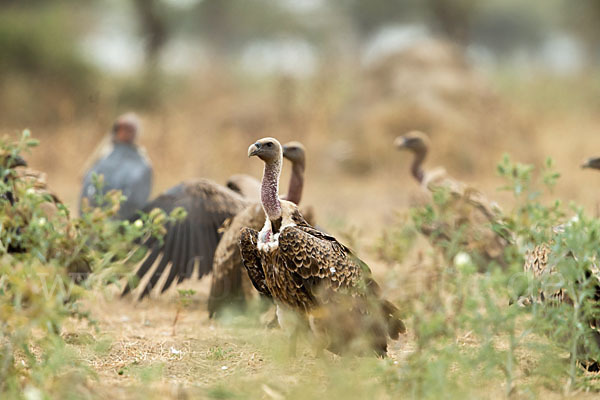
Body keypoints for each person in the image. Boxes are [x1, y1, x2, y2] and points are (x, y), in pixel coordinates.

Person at [79, 113, 152, 219]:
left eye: (128, 129)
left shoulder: (142, 167)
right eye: (123, 129)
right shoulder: (101, 160)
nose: (125, 133)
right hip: (99, 226)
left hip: (115, 227)